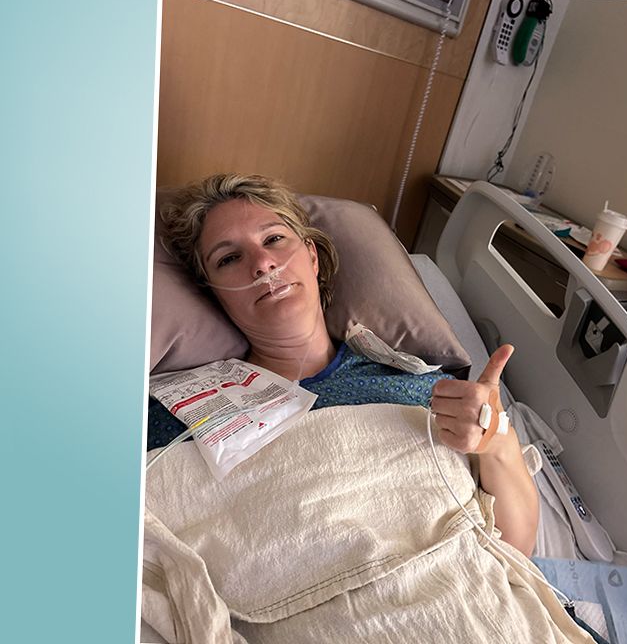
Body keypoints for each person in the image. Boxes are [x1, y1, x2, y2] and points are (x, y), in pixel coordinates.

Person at [147, 174, 592, 643]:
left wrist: (497, 441)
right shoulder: (178, 416)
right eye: (229, 259)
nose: (262, 264)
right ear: (213, 292)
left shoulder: (422, 388)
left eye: (274, 239)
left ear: (312, 256)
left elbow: (515, 551)